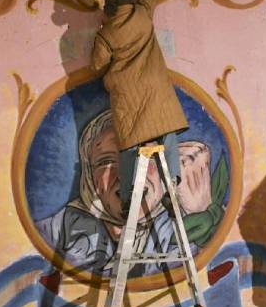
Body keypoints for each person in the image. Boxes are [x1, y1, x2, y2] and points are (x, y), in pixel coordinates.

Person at [35, 110, 214, 276]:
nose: (124, 176)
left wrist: (200, 212)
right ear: (89, 176)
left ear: (163, 165)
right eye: (106, 161)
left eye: (141, 157)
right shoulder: (56, 231)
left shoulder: (185, 220)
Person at [90, 0, 188, 211]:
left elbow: (96, 64)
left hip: (127, 95)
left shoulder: (107, 33)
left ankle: (127, 197)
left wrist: (102, 32)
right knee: (166, 133)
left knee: (129, 144)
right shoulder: (143, 15)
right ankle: (173, 183)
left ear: (109, 8)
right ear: (128, 1)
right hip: (156, 89)